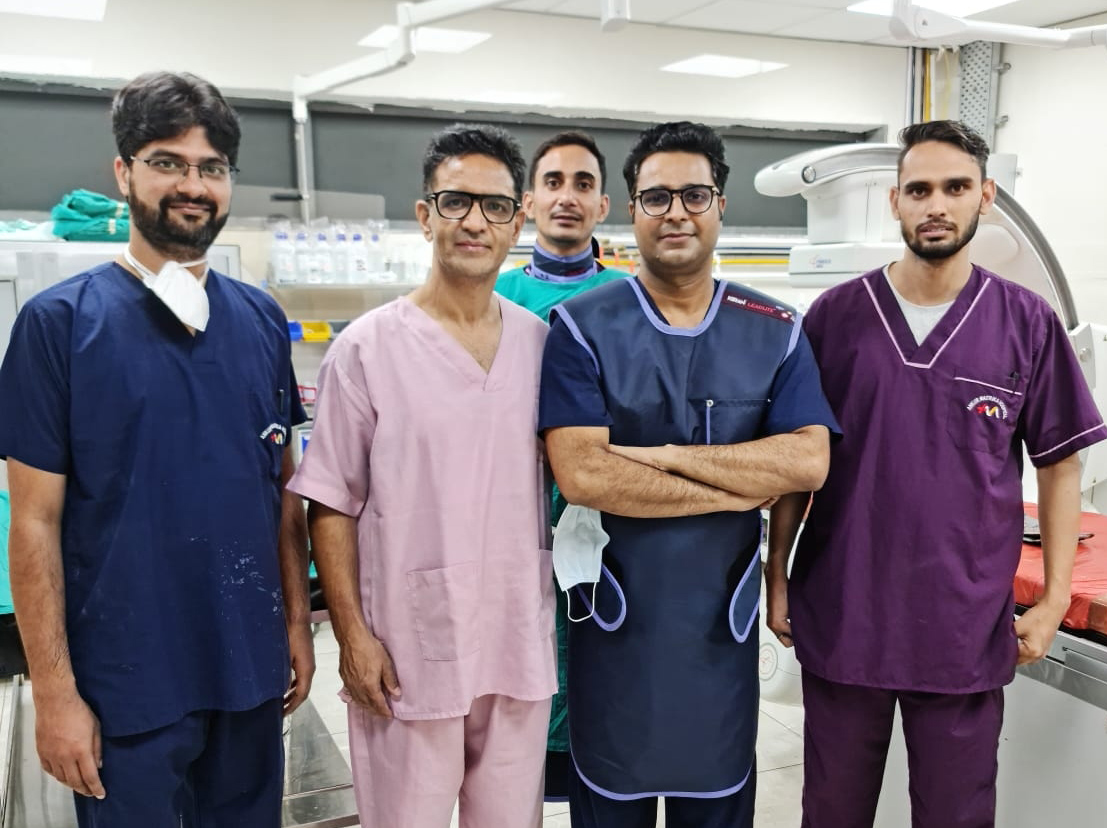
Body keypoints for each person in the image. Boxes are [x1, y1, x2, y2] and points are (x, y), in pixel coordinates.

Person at [767, 119, 1107, 828]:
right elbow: (797, 461)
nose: (936, 205)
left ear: (985, 196)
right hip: (845, 610)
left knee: (956, 815)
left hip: (961, 624)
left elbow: (1059, 466)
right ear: (894, 201)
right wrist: (776, 575)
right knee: (831, 810)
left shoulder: (1026, 322)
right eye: (918, 190)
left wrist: (1050, 601)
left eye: (955, 188)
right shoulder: (834, 318)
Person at [0, 71, 314, 827]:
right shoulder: (58, 325)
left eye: (212, 167)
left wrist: (297, 626)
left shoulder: (260, 321)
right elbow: (33, 522)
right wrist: (56, 694)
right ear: (124, 172)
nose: (193, 186)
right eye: (168, 162)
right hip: (126, 685)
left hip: (248, 675)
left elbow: (281, 492)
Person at [539, 120, 839, 828]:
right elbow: (584, 477)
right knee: (610, 795)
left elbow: (808, 461)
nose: (676, 212)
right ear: (632, 209)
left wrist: (662, 456)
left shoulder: (775, 328)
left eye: (694, 195)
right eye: (657, 197)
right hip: (617, 619)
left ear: (720, 206)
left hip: (719, 624)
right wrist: (742, 483)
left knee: (716, 792)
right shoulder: (580, 326)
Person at [287, 124, 556, 828]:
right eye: (455, 201)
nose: (475, 221)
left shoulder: (540, 346)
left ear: (517, 221)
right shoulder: (366, 349)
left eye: (495, 206)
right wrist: (352, 636)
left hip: (514, 636)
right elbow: (331, 503)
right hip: (407, 647)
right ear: (425, 215)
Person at [494, 129, 629, 801]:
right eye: (552, 182)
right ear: (528, 203)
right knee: (516, 679)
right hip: (507, 523)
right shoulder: (494, 297)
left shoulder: (630, 300)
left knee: (600, 673)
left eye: (583, 184)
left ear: (603, 204)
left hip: (610, 524)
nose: (566, 197)